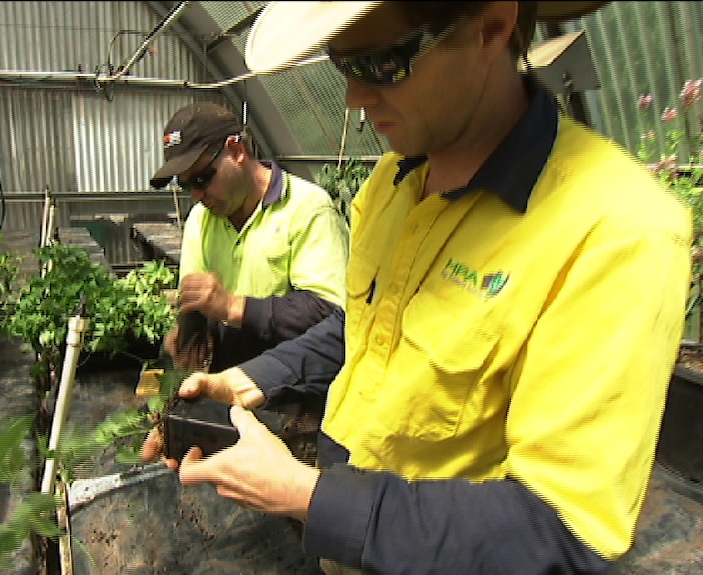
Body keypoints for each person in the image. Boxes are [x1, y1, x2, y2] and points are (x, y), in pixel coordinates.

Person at [142, 2, 693, 574]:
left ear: (493, 23)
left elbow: (567, 531)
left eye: (384, 62)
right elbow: (366, 326)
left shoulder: (615, 231)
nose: (355, 98)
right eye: (342, 64)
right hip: (349, 531)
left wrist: (307, 496)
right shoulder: (393, 183)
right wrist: (248, 381)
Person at [150, 102, 349, 373]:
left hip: (291, 386)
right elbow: (195, 298)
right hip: (225, 383)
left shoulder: (308, 207)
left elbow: (329, 311)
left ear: (236, 150)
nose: (196, 195)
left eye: (202, 179)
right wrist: (190, 334)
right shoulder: (200, 218)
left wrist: (232, 306)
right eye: (186, 186)